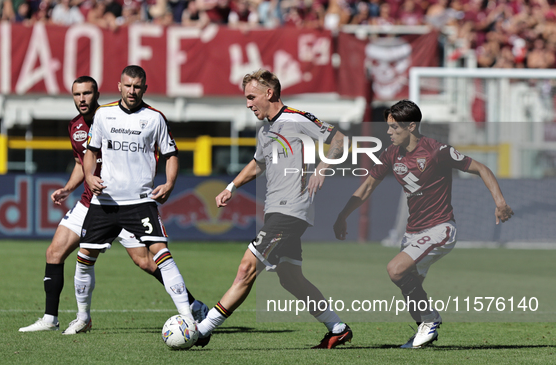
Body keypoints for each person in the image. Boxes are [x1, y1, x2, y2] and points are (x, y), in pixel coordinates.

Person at [20, 75, 206, 334]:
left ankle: (192, 306)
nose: (82, 99)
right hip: (94, 203)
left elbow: (166, 153)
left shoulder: (113, 116)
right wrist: (69, 188)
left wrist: (166, 182)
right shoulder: (75, 126)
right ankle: (52, 318)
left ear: (97, 94)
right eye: (77, 94)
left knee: (145, 261)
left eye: (87, 93)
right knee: (55, 253)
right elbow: (81, 161)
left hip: (131, 201)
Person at [333, 100, 514, 348]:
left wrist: (500, 202)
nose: (388, 132)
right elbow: (366, 188)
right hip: (412, 232)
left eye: (394, 127)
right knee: (410, 287)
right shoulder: (390, 154)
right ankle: (425, 330)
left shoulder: (437, 150)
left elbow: (481, 168)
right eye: (388, 127)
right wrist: (342, 215)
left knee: (395, 269)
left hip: (440, 228)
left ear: (412, 126)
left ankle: (430, 320)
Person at [195, 69, 353, 349]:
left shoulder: (297, 119)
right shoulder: (265, 130)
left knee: (246, 268)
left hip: (291, 210)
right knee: (290, 277)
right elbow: (258, 164)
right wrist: (231, 187)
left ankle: (203, 329)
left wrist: (322, 168)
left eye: (251, 97)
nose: (248, 104)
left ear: (269, 93)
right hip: (277, 210)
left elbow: (340, 139)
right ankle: (337, 327)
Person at [75, 65, 201, 334]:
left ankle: (187, 316)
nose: (132, 91)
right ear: (119, 86)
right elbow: (90, 150)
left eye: (137, 86)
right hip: (105, 202)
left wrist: (169, 183)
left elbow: (172, 154)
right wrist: (89, 176)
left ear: (144, 88)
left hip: (140, 202)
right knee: (84, 257)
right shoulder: (103, 114)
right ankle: (83, 318)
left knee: (160, 255)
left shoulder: (155, 118)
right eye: (127, 86)